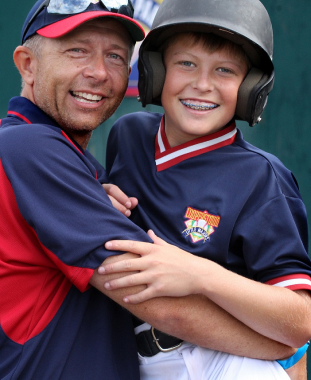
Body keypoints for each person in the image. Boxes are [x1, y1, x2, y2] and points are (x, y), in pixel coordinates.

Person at [92, 0, 311, 379]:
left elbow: (299, 320)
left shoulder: (263, 177)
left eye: (225, 71)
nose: (202, 84)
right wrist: (103, 195)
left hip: (224, 360)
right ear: (155, 70)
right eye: (186, 63)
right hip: (128, 354)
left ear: (251, 88)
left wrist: (198, 273)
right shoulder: (128, 136)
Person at [0, 0, 156, 378]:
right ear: (27, 64)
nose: (100, 73)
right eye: (77, 50)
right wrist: (286, 338)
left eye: (117, 56)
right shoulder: (28, 147)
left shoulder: (69, 163)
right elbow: (158, 299)